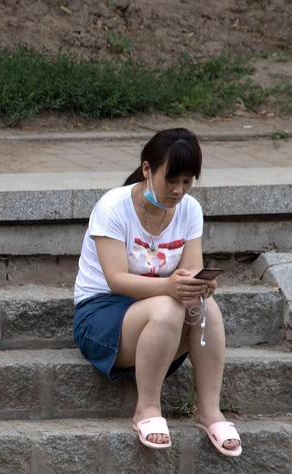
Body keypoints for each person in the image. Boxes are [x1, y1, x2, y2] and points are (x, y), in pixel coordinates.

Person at [72, 127, 241, 456]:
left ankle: (210, 411)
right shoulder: (113, 207)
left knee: (205, 307)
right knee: (169, 306)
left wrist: (201, 284)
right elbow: (116, 279)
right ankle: (147, 409)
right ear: (147, 169)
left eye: (188, 182)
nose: (179, 191)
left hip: (160, 317)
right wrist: (169, 286)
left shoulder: (190, 210)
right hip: (101, 316)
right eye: (171, 180)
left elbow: (190, 269)